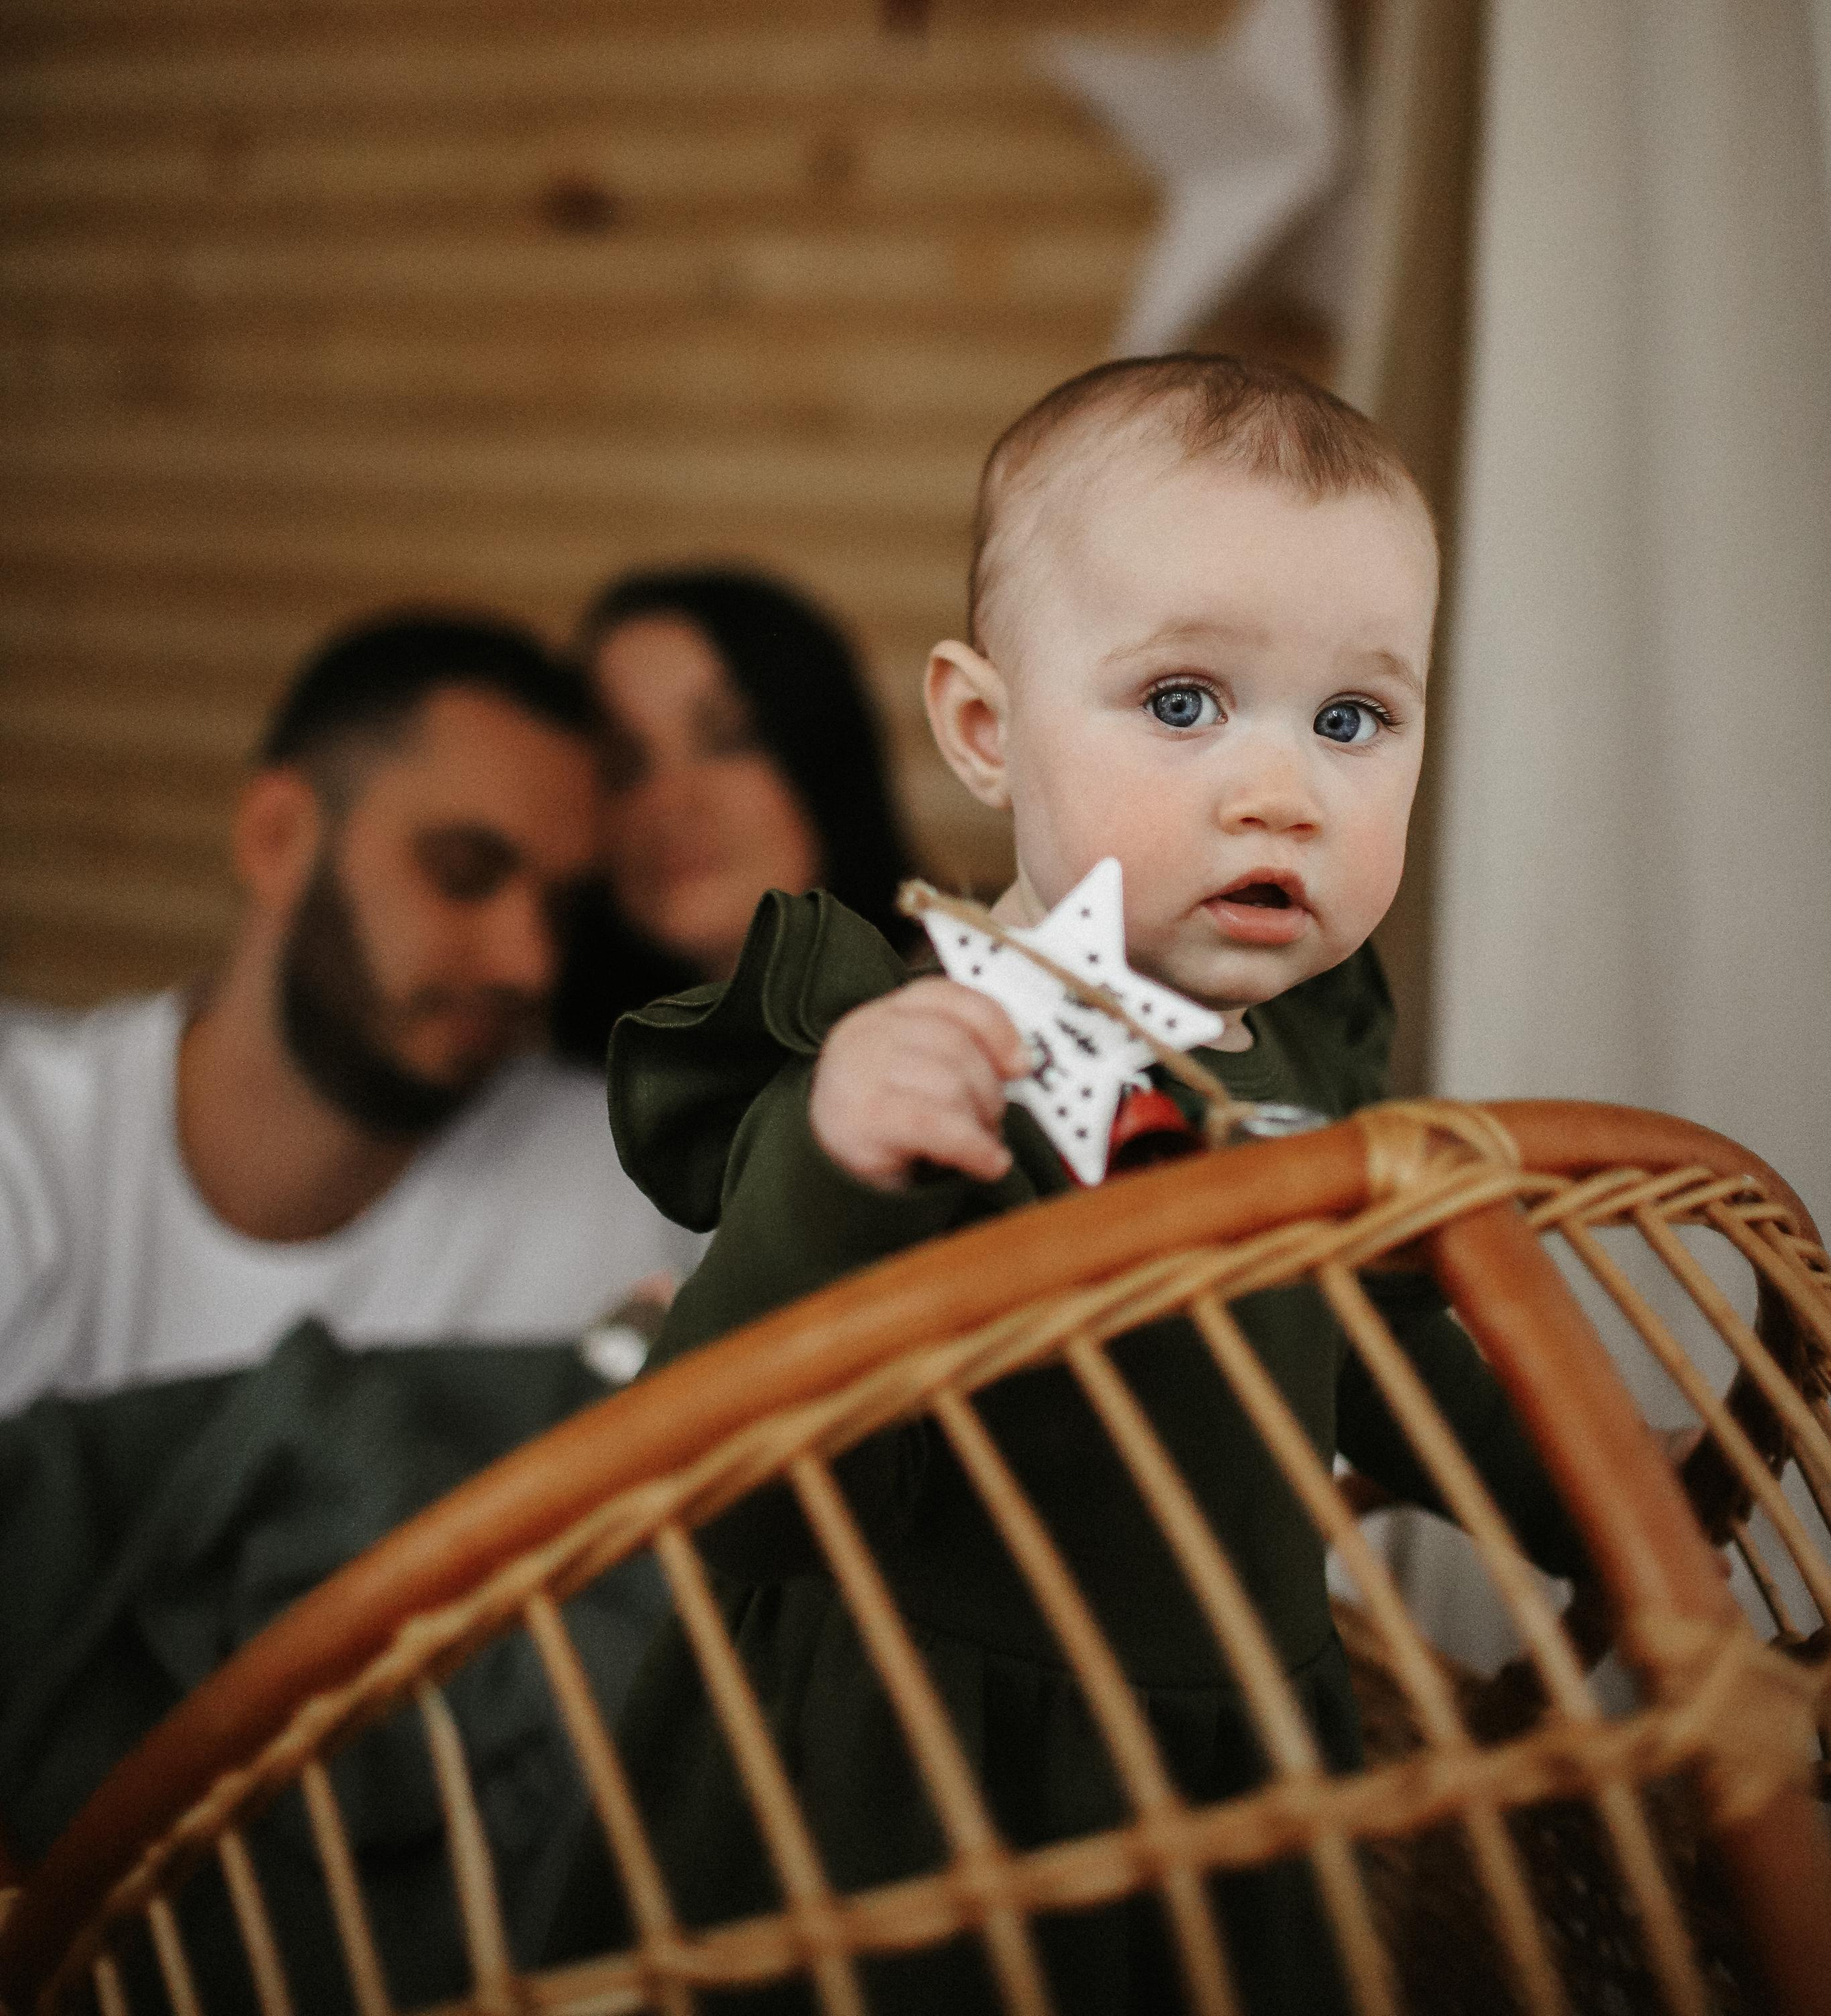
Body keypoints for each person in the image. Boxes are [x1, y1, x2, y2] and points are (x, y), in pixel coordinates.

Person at [562, 356, 1589, 2013]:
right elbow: (711, 1475)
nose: (1280, 790)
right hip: (917, 1783)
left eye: (1352, 719)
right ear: (982, 727)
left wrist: (1590, 1489)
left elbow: (1385, 1357)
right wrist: (832, 1161)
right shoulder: (898, 1051)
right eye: (1181, 701)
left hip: (1240, 1753)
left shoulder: (1303, 1058)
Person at [0, 613, 696, 1417]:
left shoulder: (621, 1184)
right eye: (464, 873)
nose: (529, 962)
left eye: (563, 909)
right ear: (278, 839)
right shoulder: (26, 1160)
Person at [551, 565, 920, 1066]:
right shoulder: (539, 1097)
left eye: (728, 740)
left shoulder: (990, 1020)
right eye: (624, 764)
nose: (671, 803)